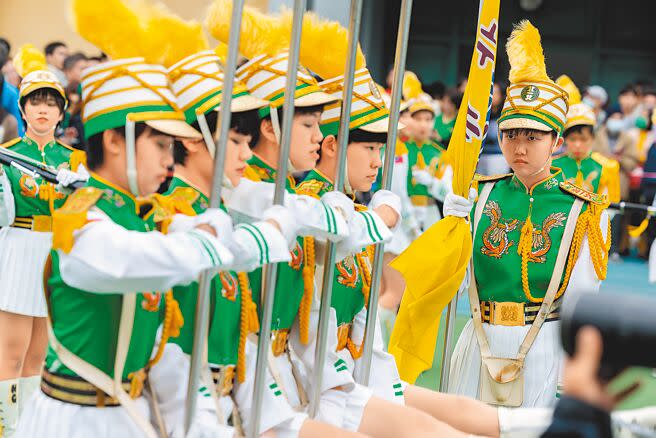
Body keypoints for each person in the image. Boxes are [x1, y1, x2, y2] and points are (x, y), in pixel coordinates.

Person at [446, 20, 611, 409]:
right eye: (510, 134)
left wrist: (571, 372)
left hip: (542, 345)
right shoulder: (478, 195)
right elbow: (450, 284)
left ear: (556, 141)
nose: (519, 146)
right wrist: (448, 229)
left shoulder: (583, 210)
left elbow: (582, 302)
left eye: (533, 136)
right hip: (479, 336)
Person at [0, 44, 89, 435]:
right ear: (22, 109)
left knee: (40, 355)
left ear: (61, 112)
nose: (42, 110)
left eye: (50, 104)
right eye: (34, 102)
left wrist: (77, 192)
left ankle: (28, 428)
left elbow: (85, 217)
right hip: (19, 249)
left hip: (55, 254)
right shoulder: (6, 155)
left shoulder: (75, 162)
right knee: (10, 353)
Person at [553, 75, 621, 203]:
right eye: (573, 139)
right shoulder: (553, 166)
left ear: (592, 138)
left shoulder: (607, 167)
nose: (578, 145)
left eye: (584, 139)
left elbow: (611, 205)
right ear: (564, 139)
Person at [478, 82, 509, 175]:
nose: (490, 96)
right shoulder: (482, 115)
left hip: (498, 157)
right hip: (481, 157)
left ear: (501, 96)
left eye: (494, 93)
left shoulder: (505, 115)